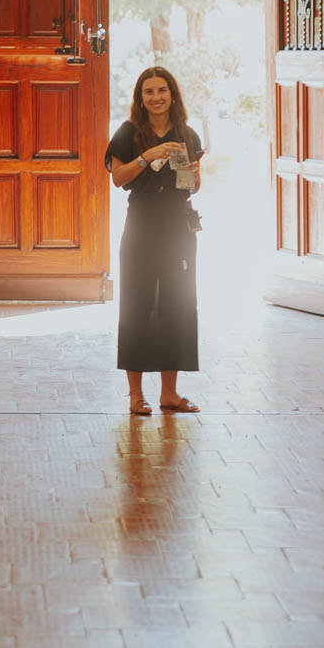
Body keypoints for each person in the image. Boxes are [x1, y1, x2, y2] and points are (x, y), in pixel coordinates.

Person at [105, 64, 204, 416]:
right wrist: (147, 157)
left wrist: (192, 175)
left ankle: (170, 394)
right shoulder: (128, 133)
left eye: (162, 90)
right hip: (142, 226)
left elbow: (195, 185)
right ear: (141, 98)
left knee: (177, 306)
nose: (156, 97)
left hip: (178, 227)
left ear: (172, 95)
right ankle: (135, 395)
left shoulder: (187, 135)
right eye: (149, 91)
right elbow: (118, 177)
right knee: (137, 305)